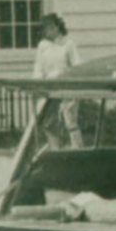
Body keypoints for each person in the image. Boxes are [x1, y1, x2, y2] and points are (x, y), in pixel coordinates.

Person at [33, 13, 82, 149]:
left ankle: (76, 149)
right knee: (48, 121)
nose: (49, 31)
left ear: (58, 26)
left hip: (66, 87)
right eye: (46, 29)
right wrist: (37, 84)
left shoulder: (68, 44)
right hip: (49, 88)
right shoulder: (43, 46)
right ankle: (55, 149)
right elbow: (39, 67)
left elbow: (77, 66)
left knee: (69, 120)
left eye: (51, 27)